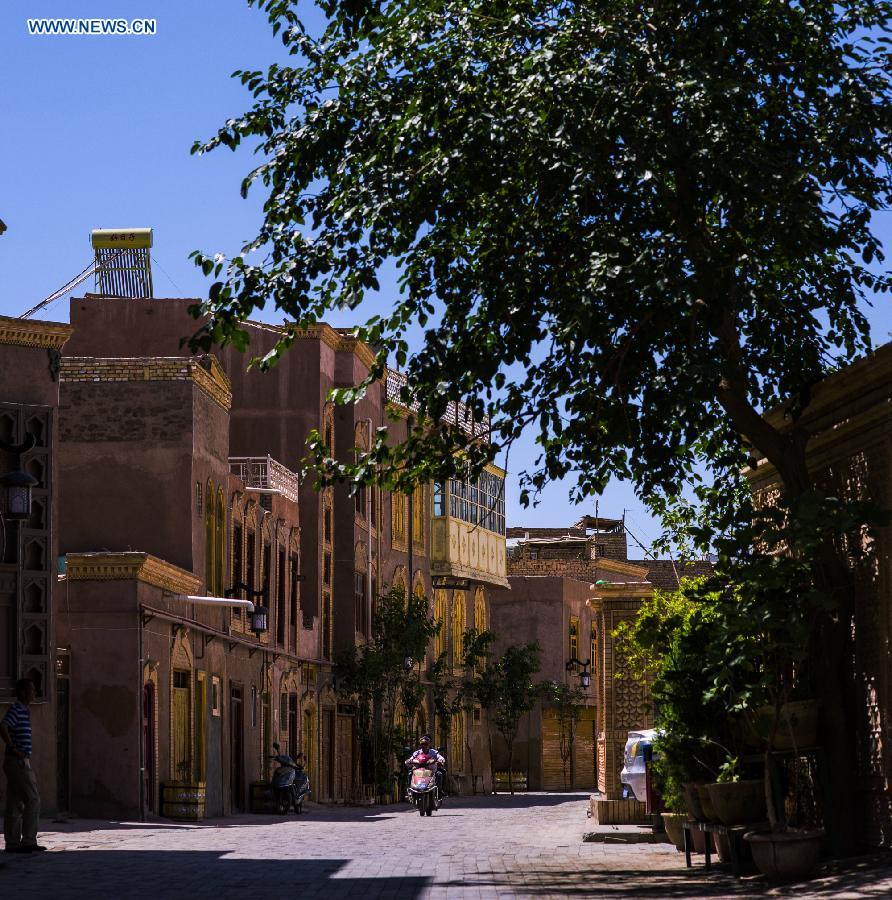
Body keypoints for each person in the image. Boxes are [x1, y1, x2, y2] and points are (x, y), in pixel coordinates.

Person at [1, 678, 46, 853]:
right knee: (33, 799)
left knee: (15, 803)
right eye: (31, 690)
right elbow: (3, 726)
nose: (34, 693)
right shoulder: (16, 709)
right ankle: (28, 840)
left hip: (17, 761)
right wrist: (13, 747)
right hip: (17, 761)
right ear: (22, 692)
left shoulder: (24, 711)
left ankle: (12, 843)